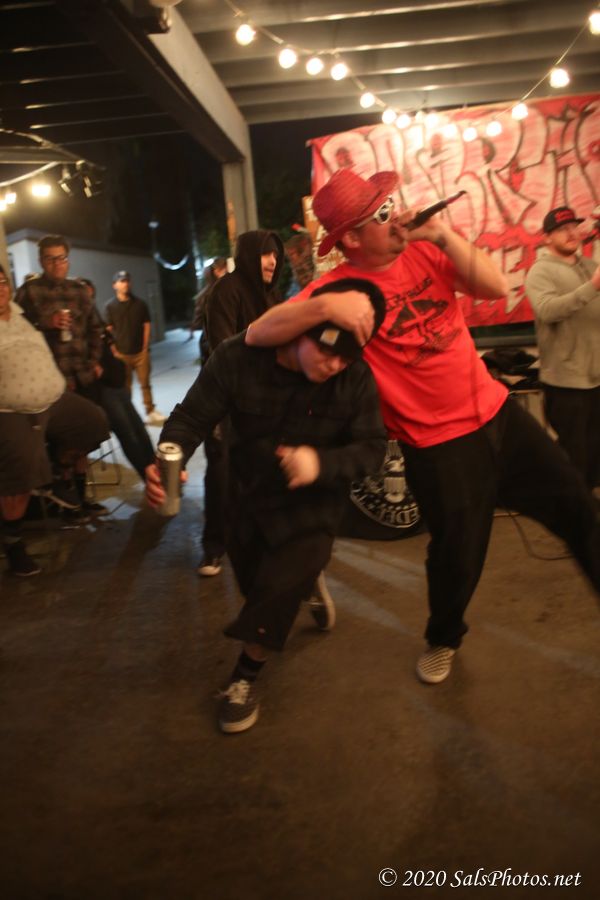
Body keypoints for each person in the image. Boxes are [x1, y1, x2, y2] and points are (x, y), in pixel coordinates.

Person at [246, 168, 600, 685]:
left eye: (392, 204)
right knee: (458, 555)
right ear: (351, 238)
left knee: (581, 509)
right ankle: (444, 638)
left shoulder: (424, 252)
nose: (396, 218)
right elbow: (256, 333)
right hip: (438, 446)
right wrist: (322, 304)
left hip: (498, 414)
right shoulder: (337, 289)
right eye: (381, 213)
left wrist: (440, 234)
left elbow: (496, 286)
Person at [146, 277, 387, 733]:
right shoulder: (238, 359)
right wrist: (167, 459)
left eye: (347, 357)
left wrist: (320, 463)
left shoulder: (354, 378)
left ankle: (244, 676)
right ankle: (304, 586)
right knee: (260, 585)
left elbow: (373, 449)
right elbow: (192, 416)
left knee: (279, 586)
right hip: (249, 493)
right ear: (300, 331)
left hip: (314, 503)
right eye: (327, 352)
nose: (336, 365)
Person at [1, 264, 109, 575]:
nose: (0, 289)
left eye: (2, 282)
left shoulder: (20, 314)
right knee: (20, 472)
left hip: (54, 397)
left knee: (94, 422)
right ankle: (14, 544)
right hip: (12, 410)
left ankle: (58, 475)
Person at [197, 230, 284, 577]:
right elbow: (222, 347)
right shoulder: (226, 291)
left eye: (275, 254)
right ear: (248, 255)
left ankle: (261, 540)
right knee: (221, 472)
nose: (272, 261)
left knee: (261, 469)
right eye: (265, 254)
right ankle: (213, 547)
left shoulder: (271, 295)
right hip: (224, 397)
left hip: (264, 399)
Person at [15, 235, 108, 522]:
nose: (57, 264)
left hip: (81, 375)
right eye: (51, 259)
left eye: (62, 258)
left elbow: (96, 328)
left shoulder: (79, 291)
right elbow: (15, 328)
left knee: (83, 439)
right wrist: (46, 322)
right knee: (59, 442)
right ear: (41, 261)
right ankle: (67, 504)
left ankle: (81, 498)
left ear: (68, 259)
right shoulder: (29, 291)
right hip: (49, 380)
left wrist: (93, 362)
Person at [525, 206, 600, 490]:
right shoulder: (539, 271)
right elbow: (548, 310)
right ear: (547, 237)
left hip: (597, 378)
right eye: (561, 229)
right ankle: (575, 512)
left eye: (573, 227)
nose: (571, 233)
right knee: (574, 461)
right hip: (567, 382)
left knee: (595, 459)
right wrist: (593, 287)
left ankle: (590, 511)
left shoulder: (589, 266)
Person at [76, 278, 155, 481]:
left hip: (116, 382)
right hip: (102, 389)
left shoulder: (95, 320)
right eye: (83, 294)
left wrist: (116, 359)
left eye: (89, 294)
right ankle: (150, 479)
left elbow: (110, 343)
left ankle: (157, 472)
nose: (87, 298)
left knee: (139, 429)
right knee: (127, 434)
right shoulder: (76, 325)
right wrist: (94, 368)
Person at [104, 271, 166, 427]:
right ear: (114, 285)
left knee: (145, 383)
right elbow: (108, 329)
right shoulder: (110, 306)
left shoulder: (140, 304)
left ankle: (150, 411)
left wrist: (145, 347)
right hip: (121, 354)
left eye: (127, 281)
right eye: (121, 281)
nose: (125, 284)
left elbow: (146, 325)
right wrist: (114, 350)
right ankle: (130, 416)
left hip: (140, 353)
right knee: (125, 387)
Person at [189, 256, 227, 349]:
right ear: (217, 272)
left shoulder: (206, 293)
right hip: (219, 342)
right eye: (225, 270)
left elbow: (198, 320)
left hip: (209, 341)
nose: (227, 273)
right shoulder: (220, 292)